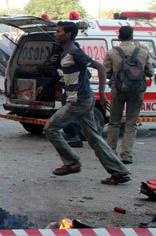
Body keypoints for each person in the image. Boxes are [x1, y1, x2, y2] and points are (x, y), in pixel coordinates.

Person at [42, 21, 130, 184]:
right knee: (94, 137)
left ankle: (71, 162)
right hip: (83, 98)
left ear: (68, 35)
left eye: (59, 31)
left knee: (50, 128)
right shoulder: (65, 51)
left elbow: (100, 68)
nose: (55, 34)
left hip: (78, 100)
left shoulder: (75, 51)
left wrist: (102, 94)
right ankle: (119, 171)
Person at [104, 25, 154, 165]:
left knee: (114, 122)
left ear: (119, 37)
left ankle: (110, 152)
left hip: (118, 90)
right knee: (131, 123)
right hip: (137, 91)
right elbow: (150, 72)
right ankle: (126, 155)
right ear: (132, 36)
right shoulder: (143, 52)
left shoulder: (112, 52)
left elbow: (107, 72)